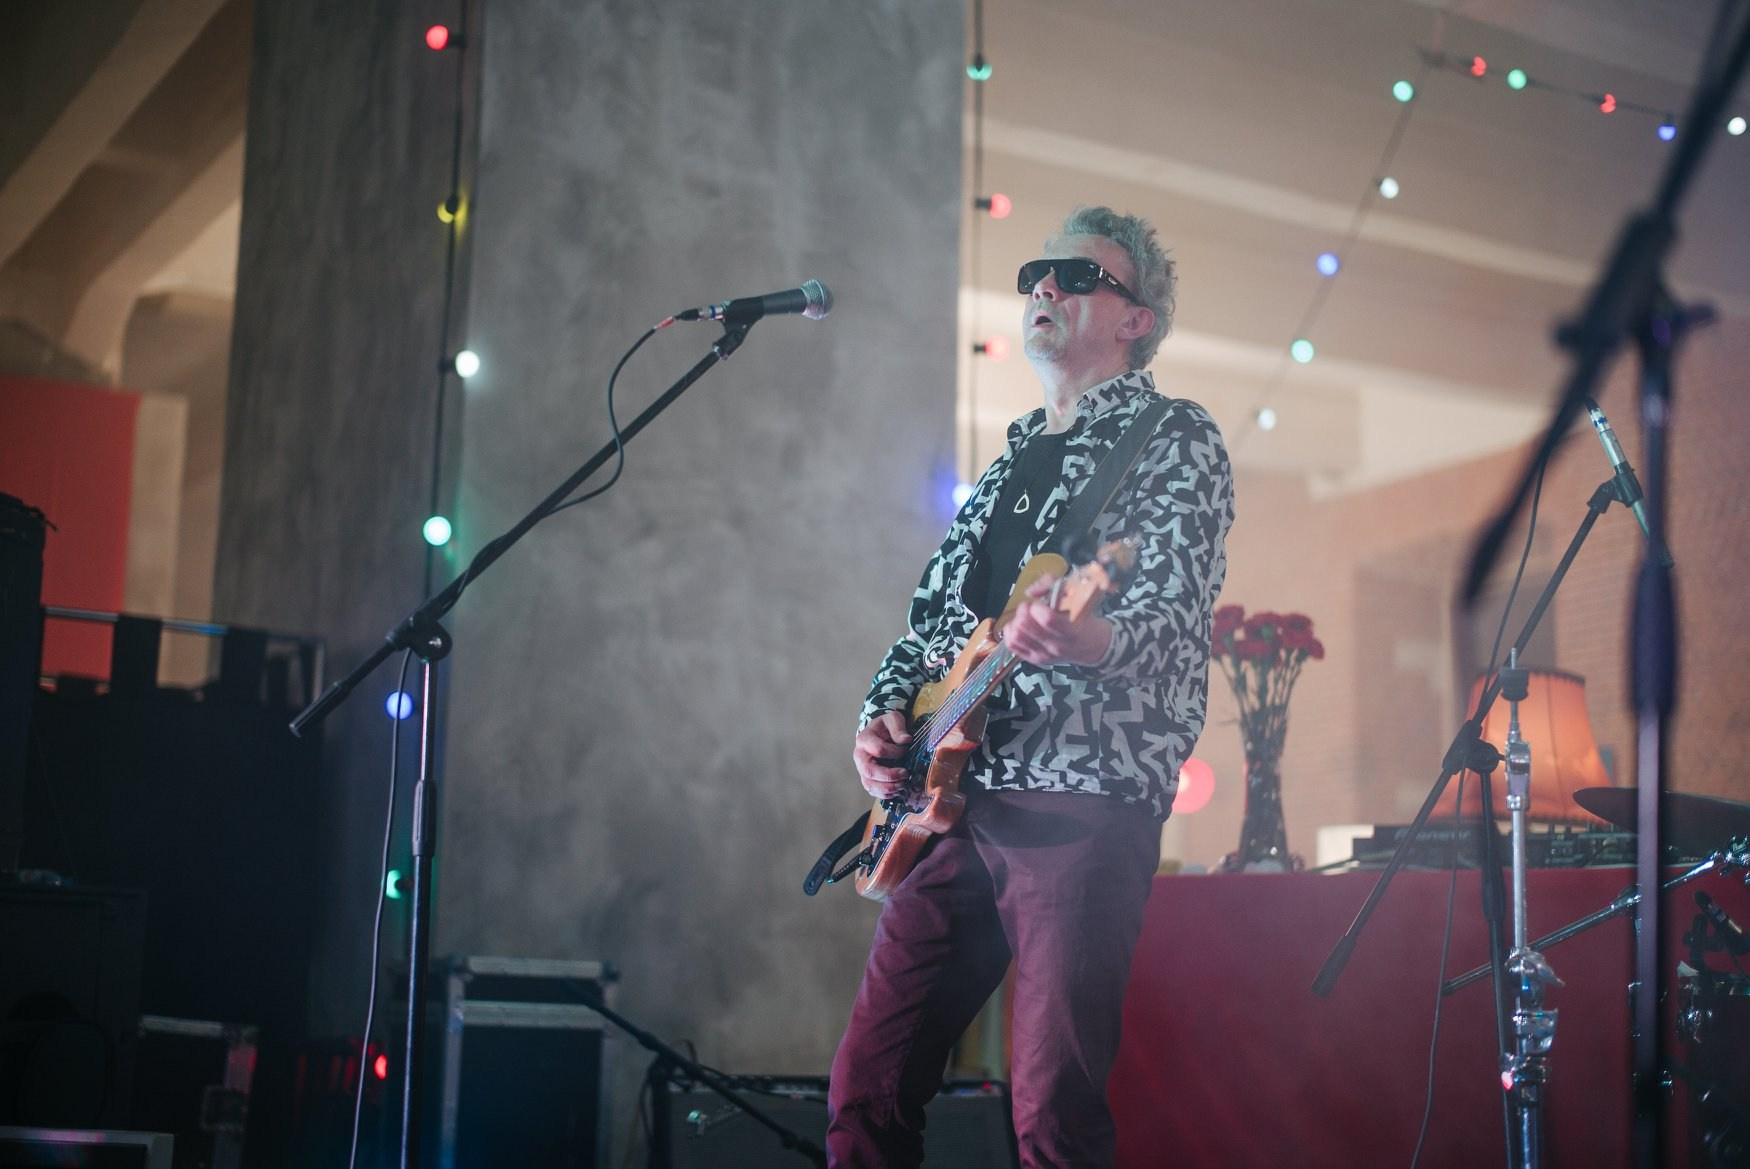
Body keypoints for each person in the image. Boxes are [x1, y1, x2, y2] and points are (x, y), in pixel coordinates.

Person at [825, 205, 1236, 1169]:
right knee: (864, 1091)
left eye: (1077, 275)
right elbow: (931, 629)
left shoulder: (1174, 437)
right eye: (1036, 275)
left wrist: (1085, 637)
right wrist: (881, 718)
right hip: (951, 803)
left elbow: (1173, 616)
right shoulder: (1009, 458)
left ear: (1137, 319)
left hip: (1079, 799)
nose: (1044, 286)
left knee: (1051, 1116)